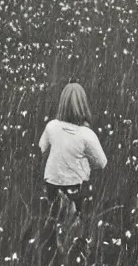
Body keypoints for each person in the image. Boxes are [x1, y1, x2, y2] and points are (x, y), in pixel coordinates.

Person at [39, 83, 107, 222]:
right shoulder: (86, 134)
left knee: (53, 220)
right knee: (73, 225)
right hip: (75, 187)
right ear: (83, 105)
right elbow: (101, 163)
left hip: (51, 184)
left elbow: (42, 148)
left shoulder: (52, 126)